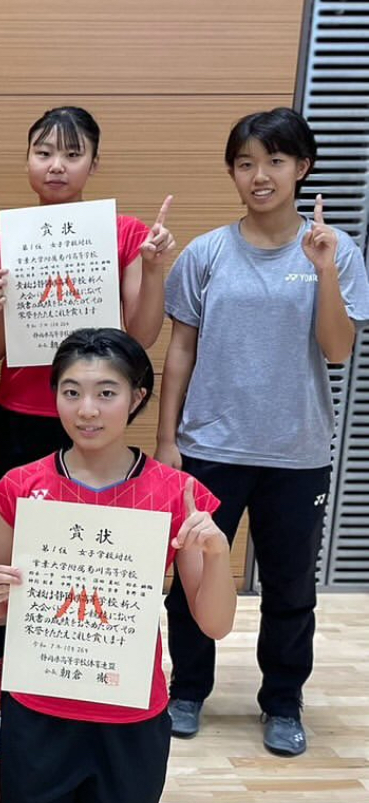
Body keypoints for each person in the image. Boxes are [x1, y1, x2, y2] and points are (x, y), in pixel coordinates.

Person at [0, 328, 236, 803]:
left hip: (129, 706)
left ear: (138, 396)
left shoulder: (177, 493)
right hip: (41, 699)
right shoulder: (20, 486)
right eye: (71, 392)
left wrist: (216, 555)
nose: (87, 410)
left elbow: (214, 623)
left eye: (106, 393)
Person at [157, 108, 369, 756]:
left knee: (290, 586)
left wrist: (324, 270)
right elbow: (180, 353)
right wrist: (166, 441)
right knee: (193, 577)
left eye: (275, 161)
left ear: (302, 167)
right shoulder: (206, 253)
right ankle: (187, 690)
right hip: (209, 447)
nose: (260, 175)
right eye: (246, 162)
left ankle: (282, 700)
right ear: (232, 171)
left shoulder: (335, 251)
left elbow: (337, 349)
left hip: (296, 452)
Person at [0, 106, 176, 714]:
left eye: (71, 153)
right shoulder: (4, 238)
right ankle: (9, 660)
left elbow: (141, 335)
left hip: (94, 422)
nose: (56, 165)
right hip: (18, 415)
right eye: (43, 152)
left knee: (88, 552)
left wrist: (153, 270)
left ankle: (86, 661)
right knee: (17, 554)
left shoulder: (125, 234)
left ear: (93, 161)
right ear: (27, 161)